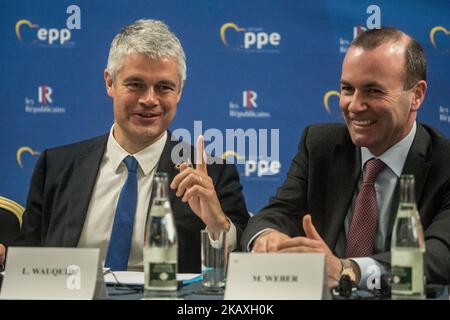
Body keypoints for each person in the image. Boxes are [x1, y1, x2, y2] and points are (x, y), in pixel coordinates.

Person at [0, 19, 249, 273]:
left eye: (164, 87)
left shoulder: (213, 172)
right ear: (110, 83)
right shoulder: (56, 166)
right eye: (135, 84)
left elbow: (240, 270)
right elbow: (26, 262)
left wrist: (217, 225)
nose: (149, 100)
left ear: (179, 92)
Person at [241, 27, 450, 289]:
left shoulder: (445, 164)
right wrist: (268, 238)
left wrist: (349, 270)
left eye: (373, 91)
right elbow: (277, 213)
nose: (354, 105)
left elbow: (440, 256)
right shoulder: (319, 145)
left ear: (416, 95)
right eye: (347, 89)